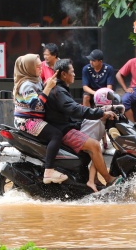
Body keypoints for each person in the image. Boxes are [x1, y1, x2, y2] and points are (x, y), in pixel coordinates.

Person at [46, 58, 123, 191]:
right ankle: (109, 179)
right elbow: (75, 109)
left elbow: (73, 109)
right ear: (64, 74)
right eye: (72, 71)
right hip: (63, 130)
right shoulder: (58, 90)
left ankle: (94, 179)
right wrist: (99, 113)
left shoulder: (60, 89)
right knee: (94, 145)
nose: (74, 74)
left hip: (66, 125)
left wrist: (101, 111)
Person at [12, 54, 68, 184]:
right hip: (27, 121)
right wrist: (47, 88)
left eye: (40, 66)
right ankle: (49, 171)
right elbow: (36, 105)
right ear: (28, 68)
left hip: (34, 119)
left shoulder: (35, 80)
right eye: (37, 67)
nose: (40, 69)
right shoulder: (26, 85)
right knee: (56, 135)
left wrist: (47, 84)